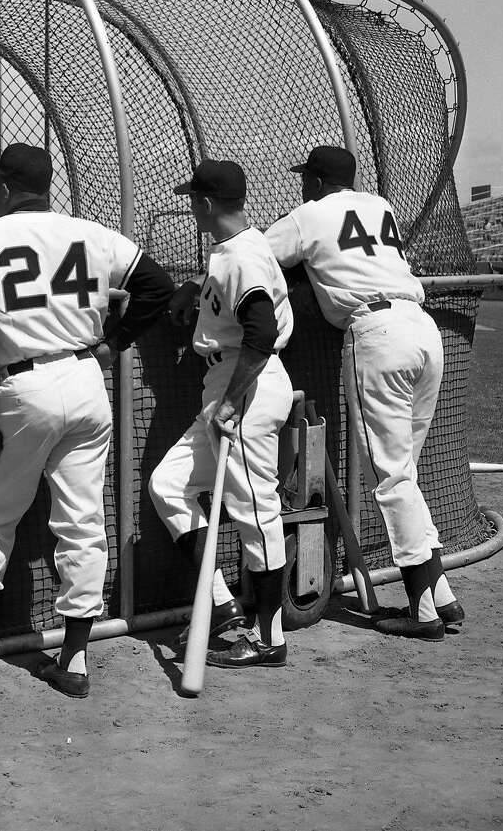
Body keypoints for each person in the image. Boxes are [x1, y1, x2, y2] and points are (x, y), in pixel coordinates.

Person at [0, 142, 174, 698]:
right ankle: (74, 659)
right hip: (85, 381)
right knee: (82, 521)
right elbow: (158, 288)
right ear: (48, 186)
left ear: (3, 187)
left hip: (25, 387)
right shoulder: (91, 233)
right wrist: (113, 342)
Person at [265, 144, 463, 641]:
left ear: (314, 180)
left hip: (376, 333)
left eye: (305, 178)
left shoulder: (309, 214)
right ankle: (441, 594)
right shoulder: (380, 205)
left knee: (393, 477)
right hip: (423, 329)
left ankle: (423, 612)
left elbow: (254, 256)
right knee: (406, 474)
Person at [148, 159, 295, 669]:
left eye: (194, 199)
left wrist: (233, 398)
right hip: (228, 382)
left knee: (256, 512)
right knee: (169, 485)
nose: (190, 206)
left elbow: (261, 332)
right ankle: (221, 604)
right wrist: (193, 290)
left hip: (245, 387)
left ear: (207, 203)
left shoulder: (242, 258)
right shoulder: (234, 252)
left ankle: (270, 639)